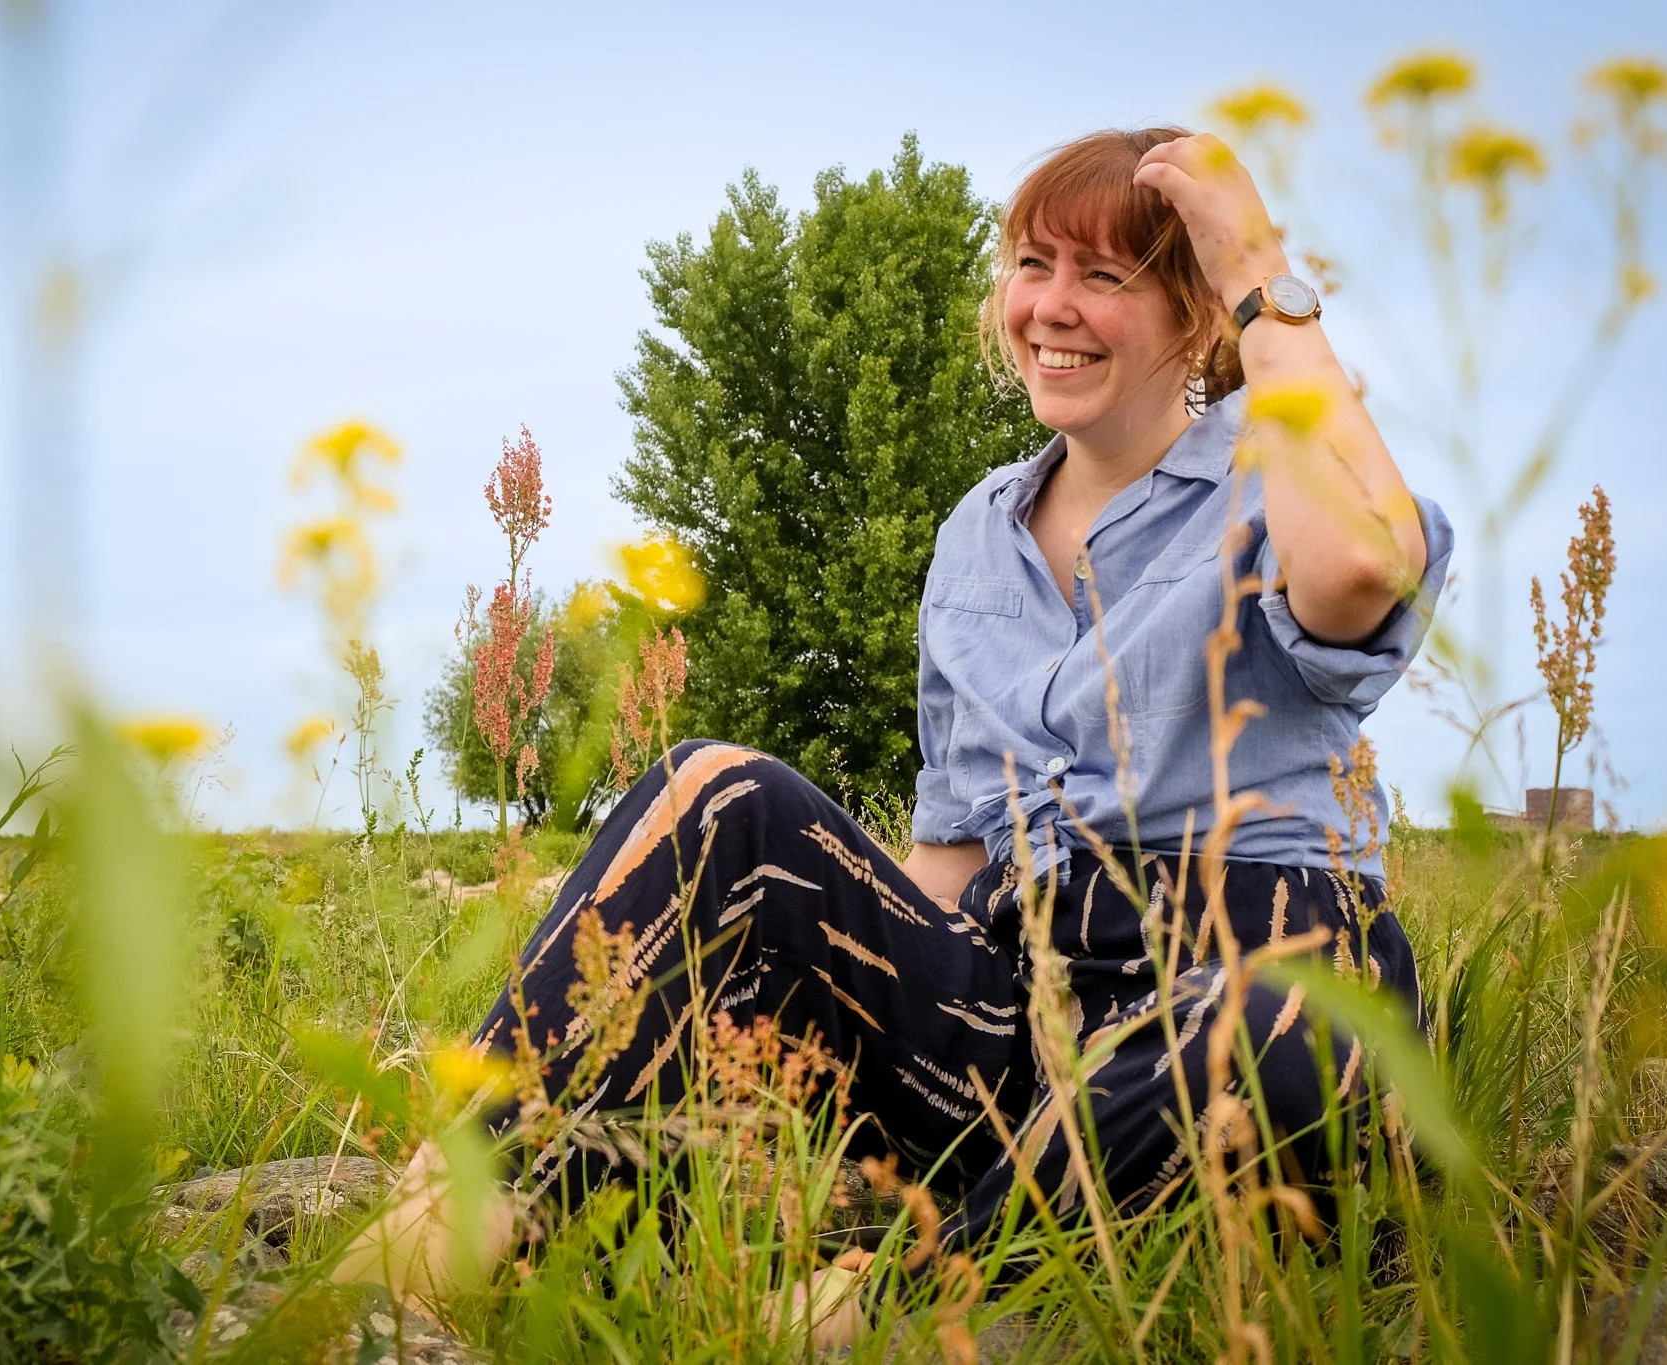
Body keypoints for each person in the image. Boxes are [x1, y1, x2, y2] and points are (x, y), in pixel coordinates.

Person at [335, 126, 1453, 1340]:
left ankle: (888, 1307)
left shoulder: (1286, 474)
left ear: (1194, 317)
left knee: (1285, 1028)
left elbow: (1356, 571)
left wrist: (1256, 268)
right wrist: (808, 974)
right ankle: (445, 1228)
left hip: (1251, 973)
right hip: (1020, 1012)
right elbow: (951, 857)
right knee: (719, 793)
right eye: (1032, 265)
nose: (1049, 308)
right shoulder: (978, 534)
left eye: (1103, 277)